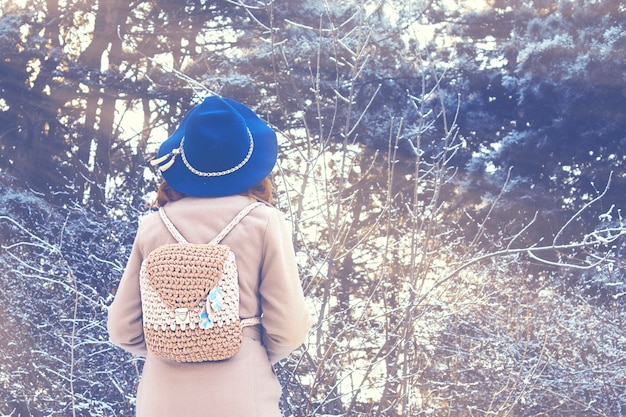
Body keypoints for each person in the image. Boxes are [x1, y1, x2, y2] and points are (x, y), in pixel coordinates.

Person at [107, 96, 313, 417]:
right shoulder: (263, 222)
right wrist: (246, 347)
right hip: (242, 395)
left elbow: (122, 328)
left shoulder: (153, 226)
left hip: (161, 400)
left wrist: (177, 343)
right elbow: (288, 328)